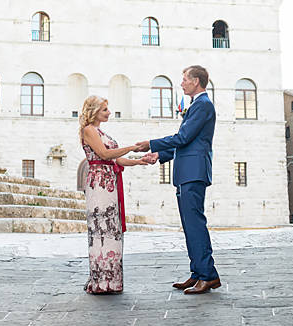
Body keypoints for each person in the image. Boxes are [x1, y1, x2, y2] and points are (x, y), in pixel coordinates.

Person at [133, 65, 220, 294]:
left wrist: (151, 143)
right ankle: (198, 272)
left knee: (195, 224)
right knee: (189, 225)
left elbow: (182, 137)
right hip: (187, 171)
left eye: (184, 79)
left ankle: (208, 275)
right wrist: (159, 155)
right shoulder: (197, 106)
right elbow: (187, 143)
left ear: (196, 81)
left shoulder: (203, 105)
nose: (181, 83)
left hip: (193, 172)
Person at [79, 95, 157, 294]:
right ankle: (100, 281)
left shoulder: (100, 131)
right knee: (101, 229)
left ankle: (111, 281)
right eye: (105, 109)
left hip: (109, 180)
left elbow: (117, 161)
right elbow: (104, 155)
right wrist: (132, 147)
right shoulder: (88, 130)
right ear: (94, 111)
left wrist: (139, 161)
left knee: (111, 228)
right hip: (99, 184)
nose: (109, 112)